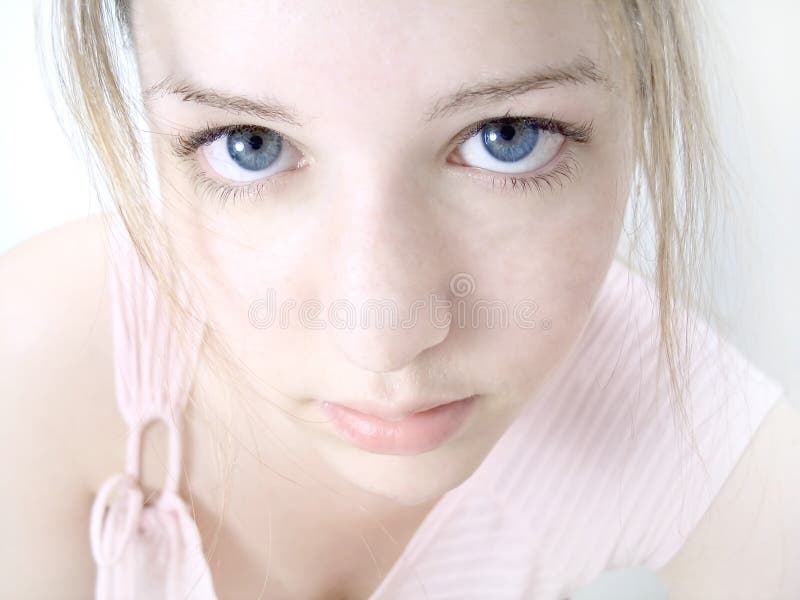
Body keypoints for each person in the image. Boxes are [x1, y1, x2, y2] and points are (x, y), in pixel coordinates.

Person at [2, 0, 798, 598]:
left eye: (507, 136)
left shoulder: (706, 436)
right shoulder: (33, 364)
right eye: (251, 145)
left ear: (643, 101)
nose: (382, 341)